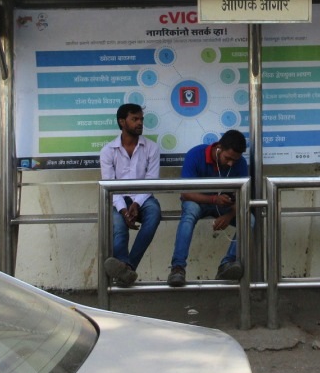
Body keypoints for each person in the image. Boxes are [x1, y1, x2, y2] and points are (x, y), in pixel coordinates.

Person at [168, 129, 249, 287]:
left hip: (224, 205)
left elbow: (243, 196)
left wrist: (230, 215)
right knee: (189, 212)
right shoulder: (196, 155)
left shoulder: (240, 163)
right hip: (199, 202)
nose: (231, 163)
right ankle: (178, 268)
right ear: (219, 147)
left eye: (235, 160)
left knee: (250, 219)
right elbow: (186, 193)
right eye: (228, 158)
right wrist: (214, 199)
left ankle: (228, 263)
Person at [99, 103, 162, 288]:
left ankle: (127, 266)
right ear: (122, 122)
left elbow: (151, 182)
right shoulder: (108, 151)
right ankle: (125, 268)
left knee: (154, 214)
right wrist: (124, 209)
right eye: (135, 119)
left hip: (144, 196)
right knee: (118, 226)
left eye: (141, 119)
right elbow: (109, 186)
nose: (140, 123)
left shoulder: (152, 148)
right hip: (117, 198)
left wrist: (136, 203)